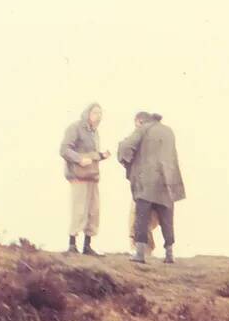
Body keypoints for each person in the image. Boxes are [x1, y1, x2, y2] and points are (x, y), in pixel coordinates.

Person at [118, 111, 186, 264]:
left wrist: (127, 163)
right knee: (167, 219)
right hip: (167, 181)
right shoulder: (168, 131)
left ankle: (140, 254)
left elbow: (125, 147)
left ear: (140, 121)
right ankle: (169, 254)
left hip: (146, 181)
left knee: (141, 216)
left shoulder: (143, 128)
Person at [59, 102, 110, 256]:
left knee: (93, 211)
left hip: (92, 177)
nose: (98, 116)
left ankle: (87, 246)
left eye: (100, 113)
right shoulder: (75, 128)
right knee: (79, 209)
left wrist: (101, 156)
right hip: (78, 176)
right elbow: (64, 149)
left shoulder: (95, 132)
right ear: (87, 113)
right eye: (95, 112)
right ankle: (72, 245)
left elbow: (91, 155)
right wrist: (78, 159)